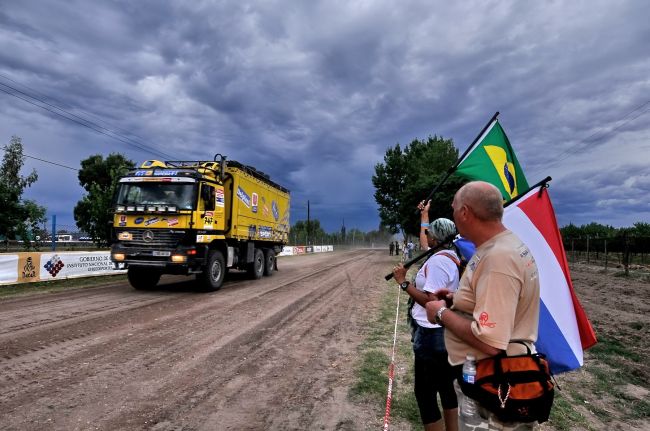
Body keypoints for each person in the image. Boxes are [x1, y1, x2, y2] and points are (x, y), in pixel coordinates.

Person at [425, 181, 540, 430]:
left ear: (465, 212)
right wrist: (458, 299)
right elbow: (499, 300)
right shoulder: (499, 246)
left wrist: (441, 312)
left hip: (493, 386)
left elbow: (489, 341)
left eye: (454, 208)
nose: (453, 215)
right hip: (490, 378)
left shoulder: (498, 258)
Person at [392, 205, 460, 431]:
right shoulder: (445, 253)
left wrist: (404, 283)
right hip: (443, 333)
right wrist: (424, 215)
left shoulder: (439, 262)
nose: (426, 236)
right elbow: (424, 242)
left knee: (425, 393)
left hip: (432, 335)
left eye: (430, 233)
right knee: (446, 387)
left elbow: (431, 302)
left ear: (437, 238)